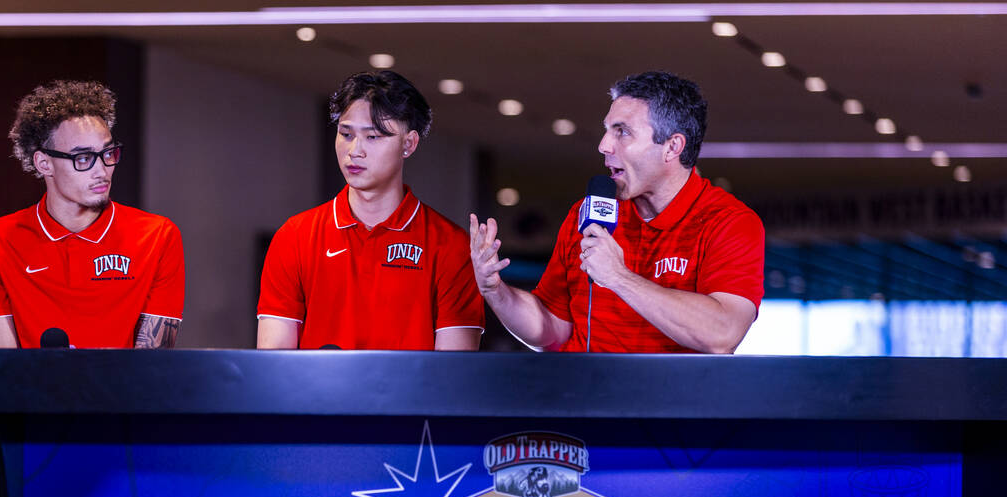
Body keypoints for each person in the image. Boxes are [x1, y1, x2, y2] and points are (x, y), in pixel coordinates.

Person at [470, 71, 764, 353]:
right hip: (583, 398)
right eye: (607, 130)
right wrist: (496, 291)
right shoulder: (586, 214)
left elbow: (722, 334)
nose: (603, 145)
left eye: (622, 132)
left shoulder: (729, 223)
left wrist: (619, 277)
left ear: (672, 146)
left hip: (670, 402)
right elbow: (551, 330)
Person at [257, 70, 483, 350]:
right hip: (315, 395)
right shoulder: (295, 236)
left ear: (409, 144)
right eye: (346, 133)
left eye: (373, 137)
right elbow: (273, 363)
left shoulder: (450, 245)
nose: (355, 150)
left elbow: (453, 375)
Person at [0, 79, 184, 348]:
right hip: (30, 391)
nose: (102, 170)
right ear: (44, 163)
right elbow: (0, 368)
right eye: (83, 158)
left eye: (108, 153)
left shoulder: (158, 236)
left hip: (125, 391)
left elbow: (153, 367)